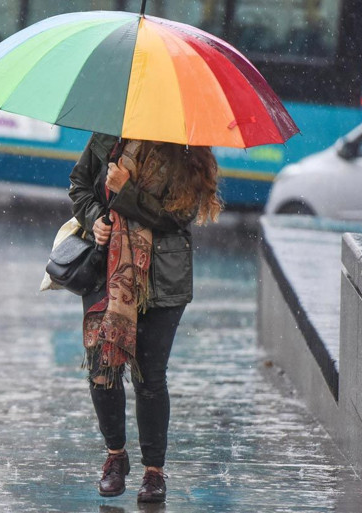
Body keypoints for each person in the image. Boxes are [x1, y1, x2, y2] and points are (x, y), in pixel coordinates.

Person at [68, 133, 222, 503]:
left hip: (162, 279)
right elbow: (79, 185)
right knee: (102, 369)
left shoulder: (186, 147)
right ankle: (115, 456)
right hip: (106, 271)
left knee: (149, 377)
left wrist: (125, 192)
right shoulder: (109, 136)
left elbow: (177, 216)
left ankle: (154, 471)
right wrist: (95, 218)